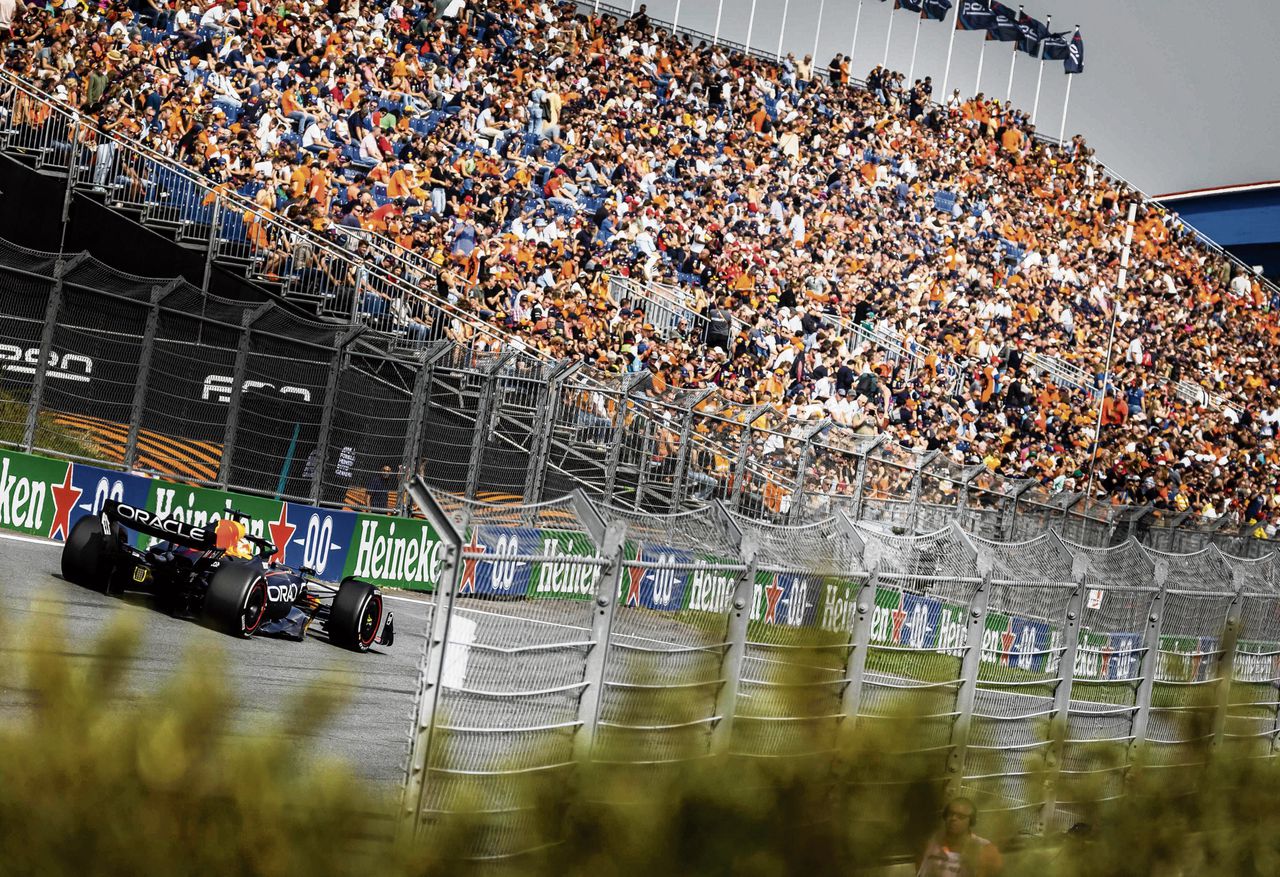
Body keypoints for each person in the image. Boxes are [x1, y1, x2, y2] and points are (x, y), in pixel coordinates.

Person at [916, 798, 1003, 877]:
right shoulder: (930, 844)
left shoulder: (985, 849)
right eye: (950, 814)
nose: (953, 818)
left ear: (971, 821)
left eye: (961, 816)